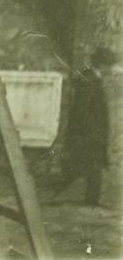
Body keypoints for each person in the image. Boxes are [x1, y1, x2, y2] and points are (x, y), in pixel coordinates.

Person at [48, 46, 114, 208]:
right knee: (90, 166)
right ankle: (87, 199)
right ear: (102, 64)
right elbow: (81, 111)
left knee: (86, 166)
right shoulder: (89, 80)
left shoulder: (93, 78)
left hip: (92, 132)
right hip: (89, 133)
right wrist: (90, 132)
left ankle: (89, 199)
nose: (111, 69)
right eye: (109, 65)